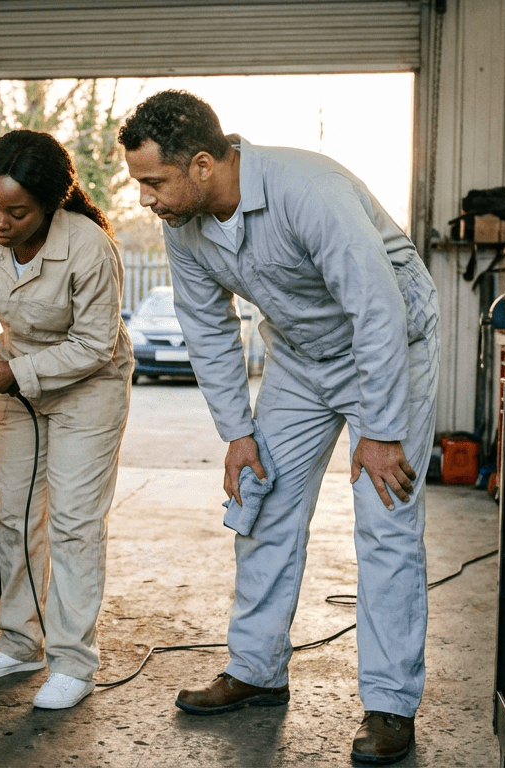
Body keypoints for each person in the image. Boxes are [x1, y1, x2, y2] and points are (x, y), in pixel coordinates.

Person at [119, 90, 439, 764]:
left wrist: (382, 432)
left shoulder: (309, 190)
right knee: (262, 501)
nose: (146, 198)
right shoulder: (184, 225)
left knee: (385, 521)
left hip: (389, 345)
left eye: (154, 181)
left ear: (202, 164)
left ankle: (389, 705)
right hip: (299, 356)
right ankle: (256, 671)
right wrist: (238, 433)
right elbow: (207, 329)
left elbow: (376, 309)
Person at [0, 129, 133, 710]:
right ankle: (21, 644)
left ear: (48, 205)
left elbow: (94, 345)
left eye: (16, 213)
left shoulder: (89, 247)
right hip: (15, 377)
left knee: (73, 523)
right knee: (14, 517)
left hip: (88, 387)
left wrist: (15, 372)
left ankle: (73, 663)